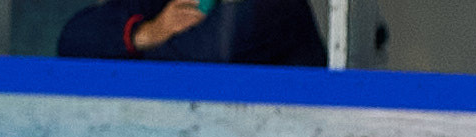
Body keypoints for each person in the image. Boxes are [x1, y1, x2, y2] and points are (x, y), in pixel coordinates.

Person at [56, 0, 324, 67]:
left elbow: (207, 56)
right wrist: (149, 33)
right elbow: (74, 40)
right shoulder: (159, 7)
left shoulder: (278, 9)